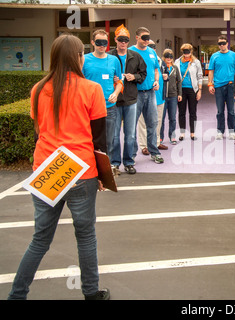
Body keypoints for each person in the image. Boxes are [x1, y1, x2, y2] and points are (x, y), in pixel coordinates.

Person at [8, 34, 110, 300]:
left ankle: (17, 295)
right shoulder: (92, 89)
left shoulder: (38, 89)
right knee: (86, 236)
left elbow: (38, 131)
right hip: (81, 170)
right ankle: (91, 293)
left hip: (46, 171)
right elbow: (99, 139)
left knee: (40, 239)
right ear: (77, 57)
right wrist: (102, 175)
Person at [108, 24, 147, 175]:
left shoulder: (135, 56)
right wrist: (113, 79)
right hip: (115, 101)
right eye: (120, 39)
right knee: (115, 134)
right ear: (116, 40)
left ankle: (129, 162)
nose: (123, 42)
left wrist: (134, 77)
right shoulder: (110, 57)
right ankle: (115, 162)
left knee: (130, 133)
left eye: (126, 40)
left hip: (131, 99)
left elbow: (143, 75)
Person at [82, 29, 123, 167]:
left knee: (109, 141)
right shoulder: (84, 60)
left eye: (104, 42)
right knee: (88, 140)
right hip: (88, 108)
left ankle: (106, 171)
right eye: (99, 42)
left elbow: (119, 81)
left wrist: (116, 94)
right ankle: (90, 168)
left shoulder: (114, 60)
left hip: (109, 108)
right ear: (92, 42)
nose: (102, 45)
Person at [128, 27, 164, 164]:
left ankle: (154, 152)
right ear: (136, 37)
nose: (146, 40)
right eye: (144, 38)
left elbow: (156, 70)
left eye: (148, 38)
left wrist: (156, 81)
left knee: (152, 123)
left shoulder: (151, 52)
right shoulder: (130, 52)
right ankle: (131, 155)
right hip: (135, 93)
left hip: (150, 93)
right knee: (131, 125)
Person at [208, 35, 235, 140]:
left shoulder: (234, 56)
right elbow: (211, 71)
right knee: (220, 111)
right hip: (219, 86)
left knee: (231, 110)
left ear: (227, 43)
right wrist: (210, 84)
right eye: (220, 44)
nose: (222, 45)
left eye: (223, 43)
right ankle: (220, 131)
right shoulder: (214, 56)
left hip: (231, 85)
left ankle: (232, 132)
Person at [174, 43, 203, 141]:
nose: (186, 53)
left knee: (192, 112)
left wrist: (199, 90)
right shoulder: (177, 61)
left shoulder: (196, 62)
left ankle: (192, 133)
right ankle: (182, 133)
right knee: (181, 112)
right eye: (184, 51)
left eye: (188, 51)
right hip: (181, 90)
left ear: (191, 51)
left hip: (192, 89)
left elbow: (200, 76)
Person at [161, 48, 182, 145]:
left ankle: (172, 136)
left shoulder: (175, 68)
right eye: (167, 56)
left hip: (173, 95)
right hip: (163, 96)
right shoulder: (161, 67)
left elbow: (179, 82)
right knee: (161, 117)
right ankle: (160, 137)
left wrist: (179, 94)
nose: (169, 58)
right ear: (164, 57)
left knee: (172, 117)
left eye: (170, 57)